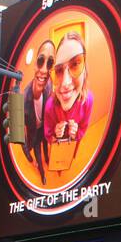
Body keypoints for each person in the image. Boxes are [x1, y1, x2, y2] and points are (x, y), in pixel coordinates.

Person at [44, 31, 94, 147]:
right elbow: (48, 136)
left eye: (75, 64)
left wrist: (76, 134)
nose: (65, 83)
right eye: (59, 70)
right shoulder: (50, 106)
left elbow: (83, 129)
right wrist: (56, 134)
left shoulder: (88, 100)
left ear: (84, 70)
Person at [22, 39, 53, 182]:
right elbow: (21, 129)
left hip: (44, 129)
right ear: (35, 64)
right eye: (41, 61)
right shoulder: (23, 99)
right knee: (37, 153)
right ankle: (42, 174)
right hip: (33, 132)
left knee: (45, 146)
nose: (44, 70)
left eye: (50, 63)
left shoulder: (49, 85)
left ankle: (48, 160)